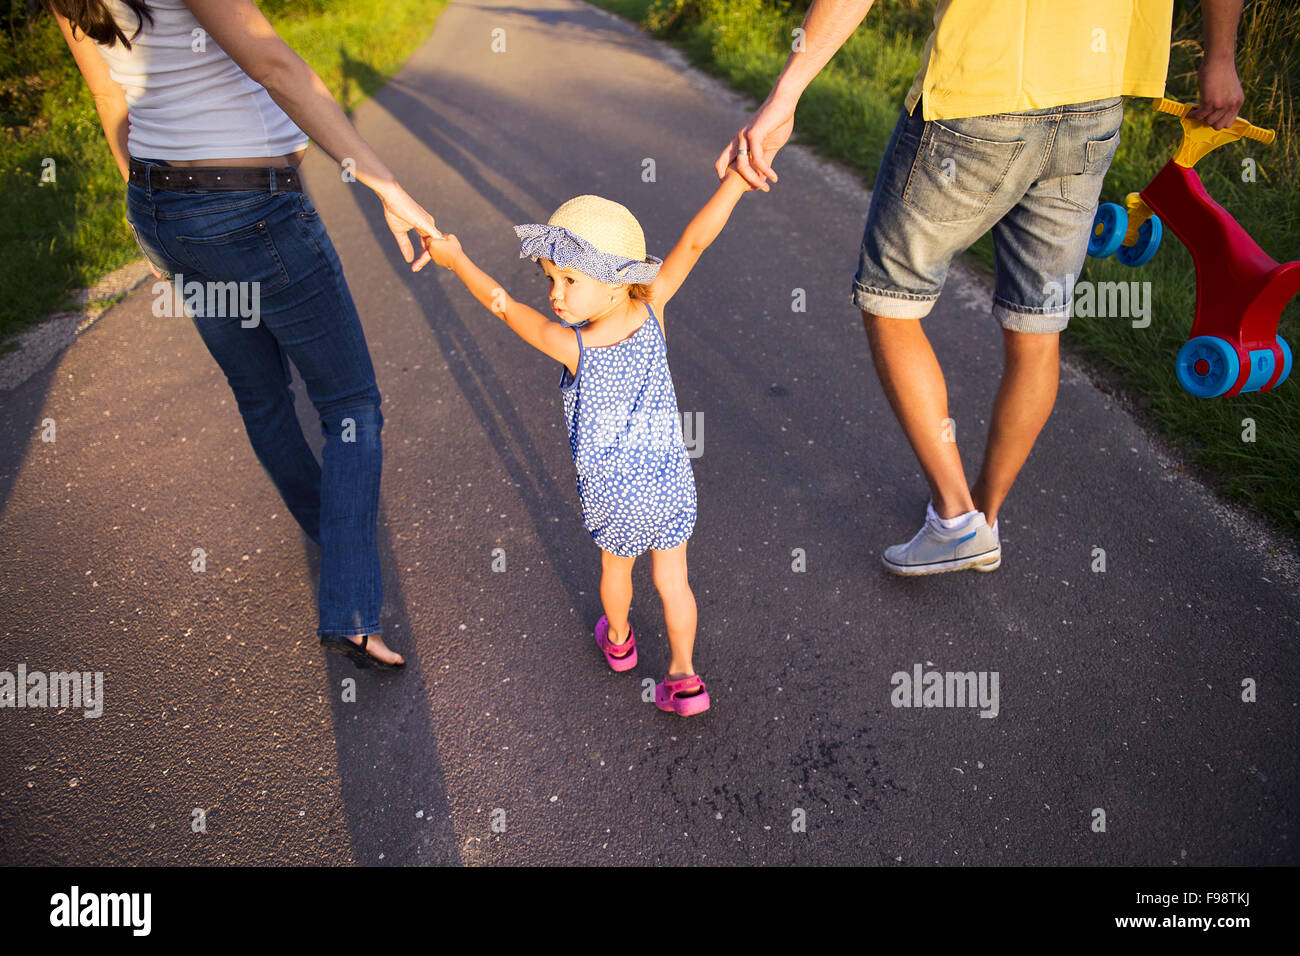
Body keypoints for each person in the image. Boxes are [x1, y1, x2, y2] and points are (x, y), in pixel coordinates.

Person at [717, 0, 1244, 574]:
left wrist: (786, 94)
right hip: (1094, 100)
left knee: (891, 298)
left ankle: (955, 518)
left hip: (979, 97)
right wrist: (1220, 58)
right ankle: (983, 517)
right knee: (1037, 325)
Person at [50, 0, 444, 666]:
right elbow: (273, 64)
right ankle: (349, 607)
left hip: (155, 199)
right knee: (349, 404)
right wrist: (388, 186)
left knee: (262, 398)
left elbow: (106, 90)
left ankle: (334, 535)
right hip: (247, 207)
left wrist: (148, 219)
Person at [425, 175, 754, 715]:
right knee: (675, 582)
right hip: (670, 484)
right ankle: (685, 678)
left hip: (613, 497)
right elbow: (695, 240)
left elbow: (503, 306)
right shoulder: (654, 310)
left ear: (617, 282)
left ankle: (620, 642)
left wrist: (456, 258)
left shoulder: (571, 346)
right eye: (550, 277)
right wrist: (737, 185)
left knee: (616, 571)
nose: (554, 293)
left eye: (570, 279)